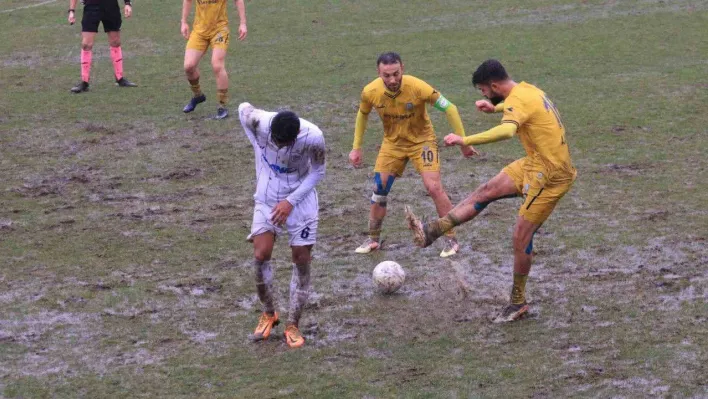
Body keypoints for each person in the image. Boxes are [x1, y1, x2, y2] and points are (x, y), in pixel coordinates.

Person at [405, 59, 577, 323]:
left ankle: (518, 302)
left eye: (484, 91)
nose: (483, 95)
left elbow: (508, 131)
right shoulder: (527, 90)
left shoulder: (516, 100)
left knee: (520, 237)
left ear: (494, 85)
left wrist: (466, 139)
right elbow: (522, 109)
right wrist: (496, 107)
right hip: (535, 163)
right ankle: (433, 230)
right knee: (486, 190)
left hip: (551, 175)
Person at [349, 52, 478, 258]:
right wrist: (356, 147)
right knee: (379, 189)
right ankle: (373, 239)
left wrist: (464, 142)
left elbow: (450, 108)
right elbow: (363, 114)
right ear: (378, 73)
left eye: (396, 74)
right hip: (392, 145)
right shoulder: (370, 91)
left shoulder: (418, 87)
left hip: (422, 143)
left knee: (434, 187)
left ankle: (451, 239)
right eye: (386, 75)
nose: (392, 80)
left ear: (403, 68)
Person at [238, 102, 326, 348]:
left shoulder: (314, 137)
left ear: (296, 136)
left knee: (301, 259)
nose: (276, 146)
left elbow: (318, 172)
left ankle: (293, 325)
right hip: (266, 198)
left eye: (283, 143)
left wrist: (290, 201)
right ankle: (269, 313)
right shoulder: (257, 121)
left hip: (301, 200)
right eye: (274, 140)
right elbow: (242, 107)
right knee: (260, 254)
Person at [181, 0, 247, 119]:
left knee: (217, 65)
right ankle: (198, 95)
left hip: (219, 30)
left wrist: (243, 23)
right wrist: (184, 22)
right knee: (189, 66)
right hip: (199, 31)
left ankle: (222, 105)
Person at [68, 0, 137, 93]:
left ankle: (120, 78)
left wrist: (127, 3)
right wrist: (71, 10)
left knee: (115, 42)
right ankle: (84, 81)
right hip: (91, 7)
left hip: (111, 6)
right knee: (86, 44)